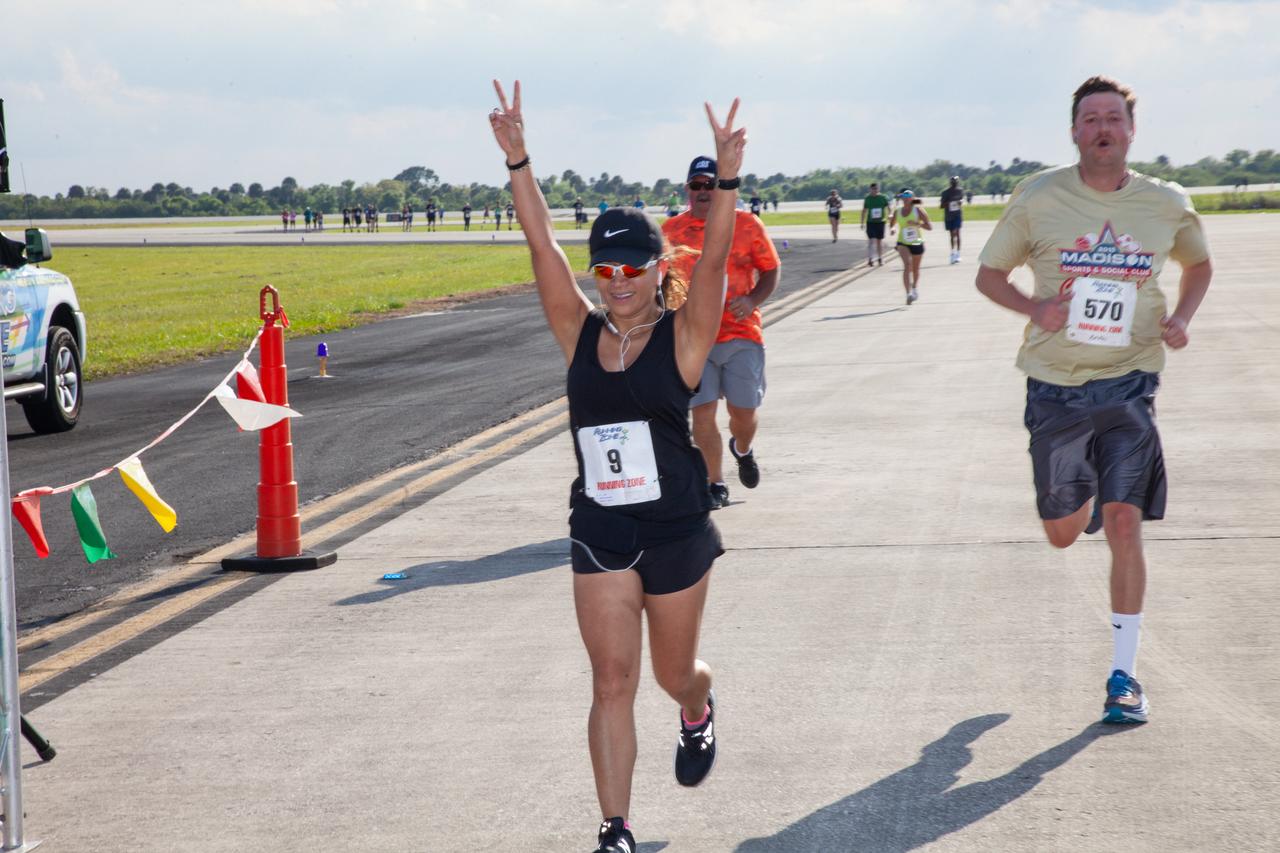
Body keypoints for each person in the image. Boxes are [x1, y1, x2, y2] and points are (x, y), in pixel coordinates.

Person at [489, 79, 746, 853]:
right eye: (607, 269)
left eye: (633, 268)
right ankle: (615, 828)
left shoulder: (685, 336)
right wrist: (519, 161)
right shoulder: (579, 334)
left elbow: (716, 265)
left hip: (675, 529)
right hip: (601, 525)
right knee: (611, 680)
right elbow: (542, 246)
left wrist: (726, 182)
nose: (619, 281)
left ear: (654, 267)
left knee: (672, 676)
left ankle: (698, 708)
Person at [975, 75, 1213, 725]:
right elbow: (988, 273)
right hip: (1055, 387)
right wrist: (1034, 306)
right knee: (1060, 532)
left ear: (1132, 131)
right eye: (1090, 118)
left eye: (1114, 117)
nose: (1103, 127)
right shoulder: (1039, 197)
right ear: (1074, 131)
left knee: (1126, 522)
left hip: (1131, 383)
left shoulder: (1165, 202)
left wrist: (1183, 317)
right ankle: (1077, 506)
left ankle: (1124, 676)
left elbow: (1199, 264)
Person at [664, 154, 780, 511]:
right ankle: (715, 483)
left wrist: (753, 298)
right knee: (701, 415)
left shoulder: (746, 224)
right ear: (687, 190)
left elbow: (771, 269)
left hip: (740, 333)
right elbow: (661, 281)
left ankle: (742, 449)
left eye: (711, 185)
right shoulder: (670, 232)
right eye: (697, 186)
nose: (704, 192)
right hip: (695, 339)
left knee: (743, 415)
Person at [889, 190, 931, 304]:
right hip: (903, 242)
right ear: (902, 199)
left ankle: (914, 288)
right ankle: (908, 294)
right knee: (907, 265)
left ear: (912, 198)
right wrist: (892, 229)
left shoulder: (918, 210)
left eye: (908, 196)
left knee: (915, 269)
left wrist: (917, 224)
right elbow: (892, 224)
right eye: (904, 196)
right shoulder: (898, 211)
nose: (906, 198)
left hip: (917, 242)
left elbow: (929, 226)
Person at [860, 182, 891, 267]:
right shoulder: (867, 198)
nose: (874, 190)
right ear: (870, 189)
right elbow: (864, 210)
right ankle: (870, 259)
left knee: (879, 241)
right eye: (873, 189)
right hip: (870, 222)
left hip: (880, 222)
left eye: (876, 189)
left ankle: (880, 258)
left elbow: (888, 207)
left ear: (879, 189)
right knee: (871, 241)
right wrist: (862, 222)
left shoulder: (883, 197)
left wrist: (889, 215)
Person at [940, 175, 965, 263]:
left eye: (956, 182)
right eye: (953, 183)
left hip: (957, 215)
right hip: (949, 216)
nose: (955, 184)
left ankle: (958, 254)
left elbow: (961, 199)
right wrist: (950, 202)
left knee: (957, 232)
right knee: (952, 235)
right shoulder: (945, 193)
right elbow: (941, 206)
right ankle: (952, 253)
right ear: (950, 183)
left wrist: (960, 202)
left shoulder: (960, 191)